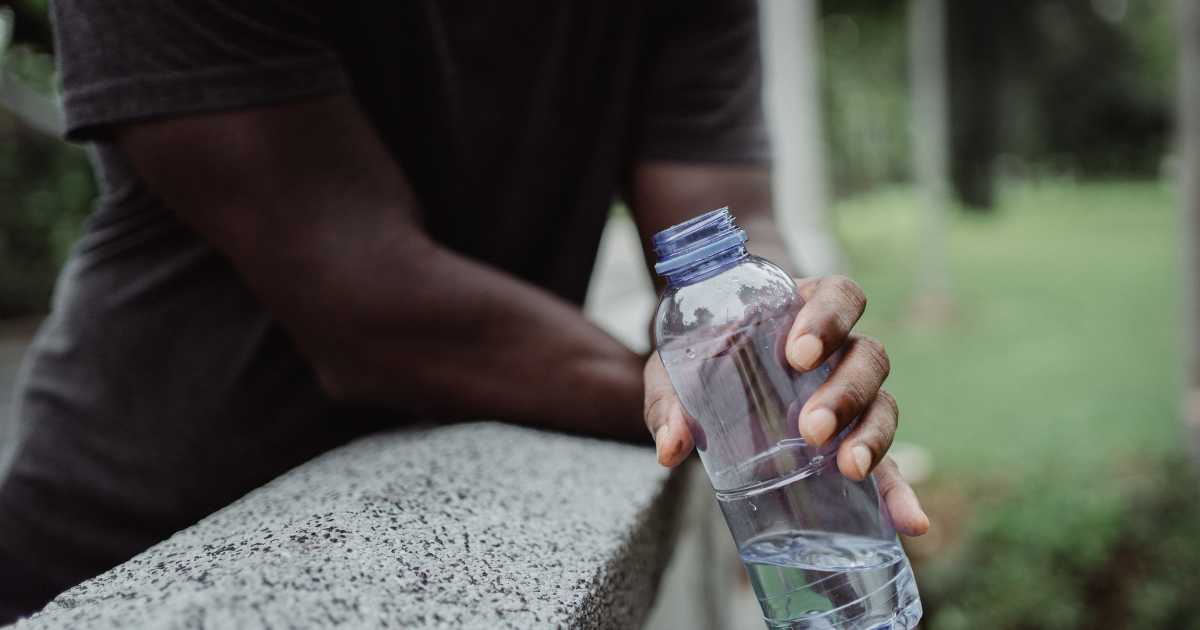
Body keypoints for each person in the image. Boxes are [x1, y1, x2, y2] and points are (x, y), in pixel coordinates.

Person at [0, 0, 929, 622]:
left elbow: (723, 235)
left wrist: (794, 344)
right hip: (147, 544)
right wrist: (717, 410)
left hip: (461, 523)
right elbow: (367, 303)